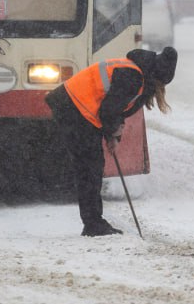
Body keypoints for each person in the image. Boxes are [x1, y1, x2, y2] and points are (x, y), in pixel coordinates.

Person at [45, 46, 177, 236]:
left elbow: (117, 108)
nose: (159, 88)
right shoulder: (133, 76)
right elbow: (109, 110)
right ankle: (93, 224)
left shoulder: (135, 72)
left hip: (74, 108)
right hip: (74, 109)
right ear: (156, 75)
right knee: (90, 167)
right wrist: (112, 133)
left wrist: (113, 135)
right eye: (160, 82)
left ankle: (93, 222)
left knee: (90, 167)